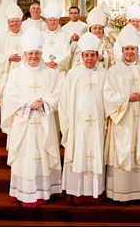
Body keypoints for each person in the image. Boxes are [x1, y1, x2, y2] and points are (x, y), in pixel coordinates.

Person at [0, 25, 62, 208]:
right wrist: (28, 103)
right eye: (30, 53)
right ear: (24, 54)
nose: (33, 56)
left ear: (41, 53)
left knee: (43, 153)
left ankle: (45, 192)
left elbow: (58, 92)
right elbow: (10, 96)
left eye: (36, 53)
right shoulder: (16, 74)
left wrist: (43, 102)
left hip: (44, 120)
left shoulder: (51, 73)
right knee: (26, 156)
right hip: (24, 123)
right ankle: (24, 193)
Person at [103, 24, 140, 203]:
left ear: (138, 50)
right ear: (122, 50)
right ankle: (119, 192)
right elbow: (108, 95)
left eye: (132, 49)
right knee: (123, 150)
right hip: (122, 120)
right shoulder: (114, 70)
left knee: (139, 147)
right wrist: (126, 98)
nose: (130, 52)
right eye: (127, 49)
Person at [58, 31, 107, 205]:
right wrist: (67, 127)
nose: (89, 59)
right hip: (77, 126)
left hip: (98, 125)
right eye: (86, 55)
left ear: (97, 56)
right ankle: (76, 192)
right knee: (78, 153)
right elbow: (63, 102)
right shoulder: (73, 74)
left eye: (92, 55)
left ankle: (95, 192)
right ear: (81, 56)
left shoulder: (104, 74)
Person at [0, 2, 24, 107]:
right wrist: (8, 58)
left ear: (21, 22)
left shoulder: (27, 38)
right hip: (8, 75)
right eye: (12, 21)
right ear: (8, 23)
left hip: (24, 74)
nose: (14, 23)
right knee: (8, 102)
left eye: (16, 21)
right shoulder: (3, 39)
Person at [113, 3, 140, 68]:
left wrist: (138, 57)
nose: (135, 23)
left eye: (137, 21)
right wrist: (129, 57)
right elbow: (116, 53)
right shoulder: (122, 35)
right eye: (133, 21)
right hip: (125, 68)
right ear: (129, 22)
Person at [41, 1, 72, 83]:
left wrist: (56, 62)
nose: (52, 22)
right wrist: (45, 62)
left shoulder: (64, 36)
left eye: (55, 20)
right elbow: (37, 51)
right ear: (46, 21)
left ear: (58, 21)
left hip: (59, 70)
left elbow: (67, 53)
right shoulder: (41, 35)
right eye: (50, 20)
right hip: (43, 69)